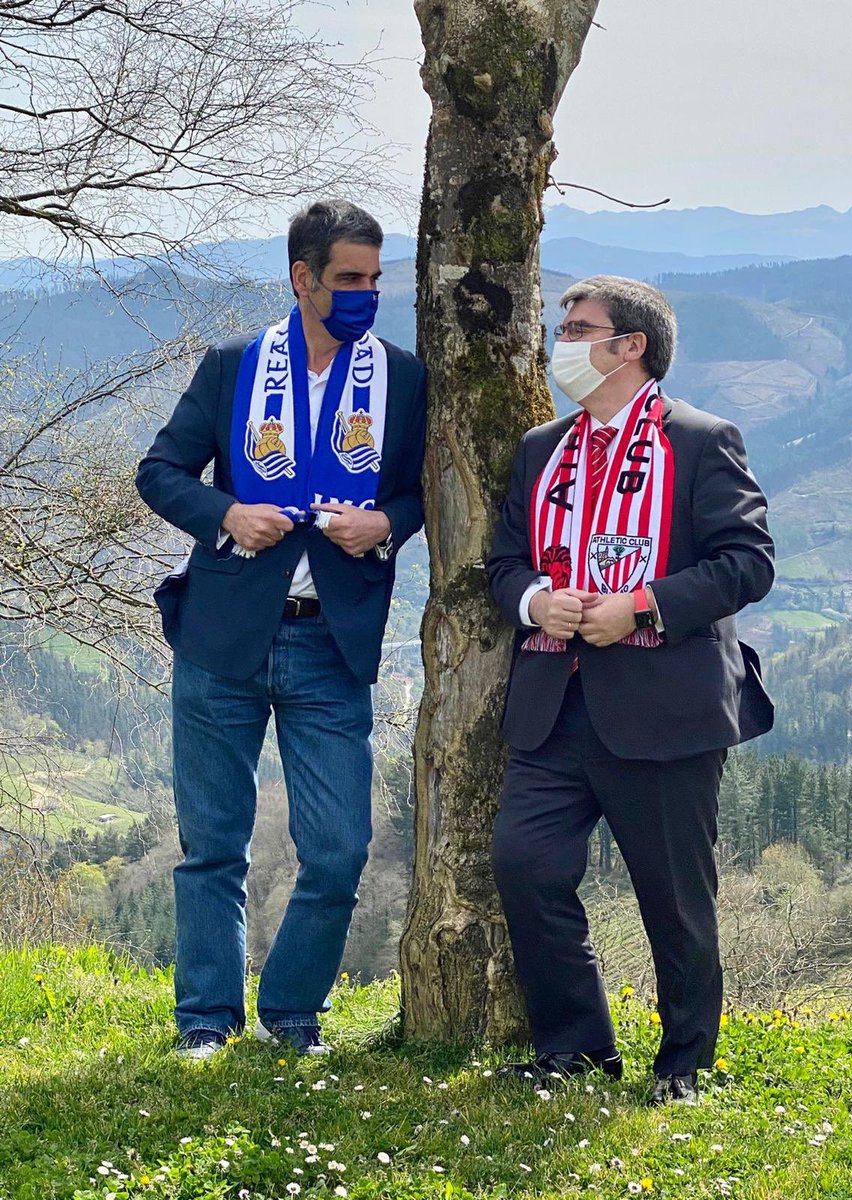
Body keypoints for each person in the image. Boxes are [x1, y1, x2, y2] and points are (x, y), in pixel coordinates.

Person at [136, 200, 426, 1061]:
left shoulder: (401, 379)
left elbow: (413, 492)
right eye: (349, 279)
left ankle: (292, 1012)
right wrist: (227, 510)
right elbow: (159, 471)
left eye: (375, 279)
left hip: (329, 640)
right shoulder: (233, 367)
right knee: (211, 844)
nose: (365, 293)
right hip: (223, 634)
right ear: (303, 278)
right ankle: (205, 1022)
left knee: (338, 849)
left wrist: (387, 526)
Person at [486, 275, 774, 1105]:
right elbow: (505, 564)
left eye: (579, 328)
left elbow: (748, 563)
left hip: (664, 708)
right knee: (525, 864)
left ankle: (686, 1062)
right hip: (553, 701)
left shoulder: (702, 439)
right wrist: (539, 599)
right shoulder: (544, 447)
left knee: (675, 900)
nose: (562, 343)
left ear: (630, 346)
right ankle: (576, 1048)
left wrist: (641, 606)